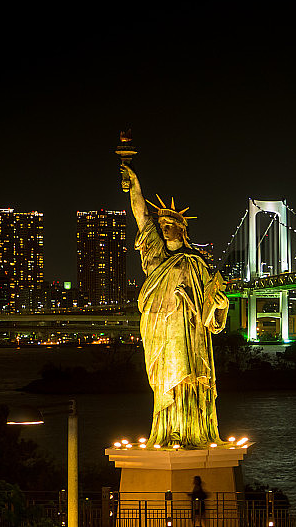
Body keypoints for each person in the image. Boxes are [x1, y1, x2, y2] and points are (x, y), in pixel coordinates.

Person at [124, 163, 228, 448]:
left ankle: (190, 430)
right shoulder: (155, 254)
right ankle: (167, 429)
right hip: (159, 326)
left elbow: (211, 308)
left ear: (183, 229)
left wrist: (221, 306)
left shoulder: (196, 262)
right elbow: (141, 215)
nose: (166, 229)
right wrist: (134, 183)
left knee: (187, 378)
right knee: (163, 379)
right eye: (163, 226)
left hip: (188, 330)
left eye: (171, 226)